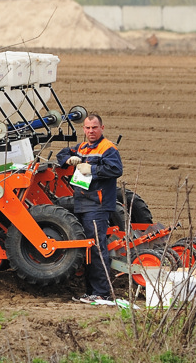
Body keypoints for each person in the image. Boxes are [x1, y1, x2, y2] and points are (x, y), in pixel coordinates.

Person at [57, 113, 123, 305]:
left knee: (96, 248)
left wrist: (92, 170)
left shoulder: (108, 148)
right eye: (87, 128)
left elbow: (116, 169)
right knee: (88, 249)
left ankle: (102, 293)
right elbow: (62, 154)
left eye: (94, 128)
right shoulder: (82, 148)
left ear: (102, 128)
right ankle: (91, 292)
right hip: (83, 203)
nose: (90, 131)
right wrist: (68, 160)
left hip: (98, 205)